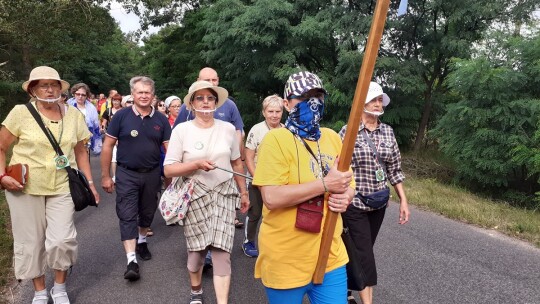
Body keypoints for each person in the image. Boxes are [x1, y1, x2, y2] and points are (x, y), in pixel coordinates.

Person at [252, 71, 355, 304]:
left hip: (330, 255)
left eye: (317, 95)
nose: (312, 102)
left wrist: (346, 196)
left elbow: (350, 184)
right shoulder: (276, 140)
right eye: (303, 96)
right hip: (286, 259)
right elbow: (271, 197)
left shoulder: (332, 138)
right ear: (287, 104)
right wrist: (325, 184)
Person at [0, 66, 99, 304]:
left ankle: (60, 287)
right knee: (31, 242)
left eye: (54, 84)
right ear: (33, 90)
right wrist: (2, 176)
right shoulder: (20, 113)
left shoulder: (74, 115)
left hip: (62, 186)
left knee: (62, 240)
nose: (49, 89)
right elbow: (1, 147)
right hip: (24, 188)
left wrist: (91, 184)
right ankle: (40, 291)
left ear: (61, 88)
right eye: (43, 85)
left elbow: (80, 151)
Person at [164, 80, 249, 304]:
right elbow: (169, 168)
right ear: (191, 103)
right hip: (194, 196)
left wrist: (244, 192)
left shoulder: (229, 129)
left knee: (222, 253)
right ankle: (196, 291)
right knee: (196, 255)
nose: (205, 102)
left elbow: (237, 163)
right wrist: (196, 164)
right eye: (199, 98)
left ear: (216, 102)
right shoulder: (181, 130)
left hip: (223, 194)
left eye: (209, 98)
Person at [338, 81, 410, 304]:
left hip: (378, 204)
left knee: (360, 251)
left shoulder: (388, 132)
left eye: (381, 100)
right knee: (365, 257)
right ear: (362, 103)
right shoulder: (347, 132)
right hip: (355, 205)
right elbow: (338, 168)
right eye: (374, 100)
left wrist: (404, 201)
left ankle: (346, 290)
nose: (379, 104)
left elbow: (394, 170)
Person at [100, 76, 171, 281]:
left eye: (147, 92)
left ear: (153, 95)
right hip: (126, 174)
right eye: (139, 92)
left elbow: (170, 149)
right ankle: (131, 260)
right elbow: (107, 146)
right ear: (133, 94)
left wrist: (173, 176)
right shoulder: (121, 116)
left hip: (151, 174)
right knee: (127, 213)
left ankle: (141, 241)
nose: (143, 96)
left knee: (147, 212)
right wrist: (105, 176)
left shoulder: (161, 119)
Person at [242, 94, 284, 258]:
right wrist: (257, 179)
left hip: (278, 180)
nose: (274, 115)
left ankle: (275, 243)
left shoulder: (286, 129)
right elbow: (249, 158)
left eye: (277, 111)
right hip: (257, 179)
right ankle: (248, 241)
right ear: (264, 112)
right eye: (270, 111)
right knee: (255, 212)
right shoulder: (257, 130)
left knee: (277, 213)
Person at [68, 83, 102, 155]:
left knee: (84, 162)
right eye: (78, 94)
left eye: (83, 95)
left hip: (85, 141)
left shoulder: (91, 108)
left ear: (87, 96)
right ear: (74, 93)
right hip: (69, 139)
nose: (80, 96)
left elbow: (96, 126)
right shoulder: (67, 105)